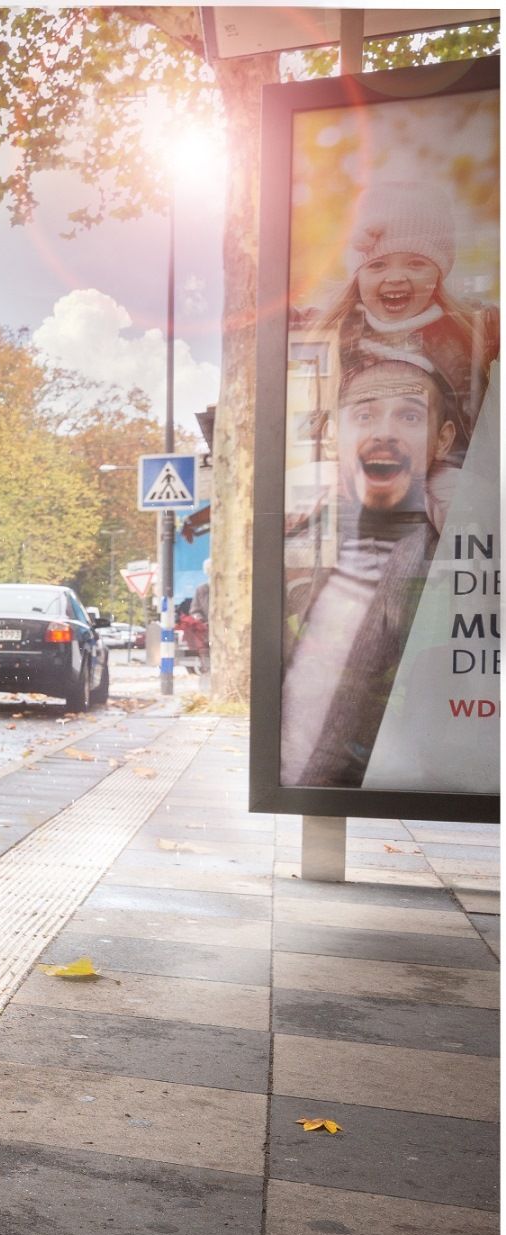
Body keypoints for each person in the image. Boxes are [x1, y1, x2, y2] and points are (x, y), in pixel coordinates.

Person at [280, 358, 466, 786]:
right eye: (364, 415)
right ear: (332, 437)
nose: (384, 431)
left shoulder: (457, 558)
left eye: (409, 415)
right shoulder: (295, 544)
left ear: (442, 440)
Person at [320, 181, 497, 461]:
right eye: (377, 265)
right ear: (358, 276)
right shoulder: (336, 330)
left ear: (438, 273)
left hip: (456, 484)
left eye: (416, 263)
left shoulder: (473, 326)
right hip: (368, 479)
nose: (396, 277)